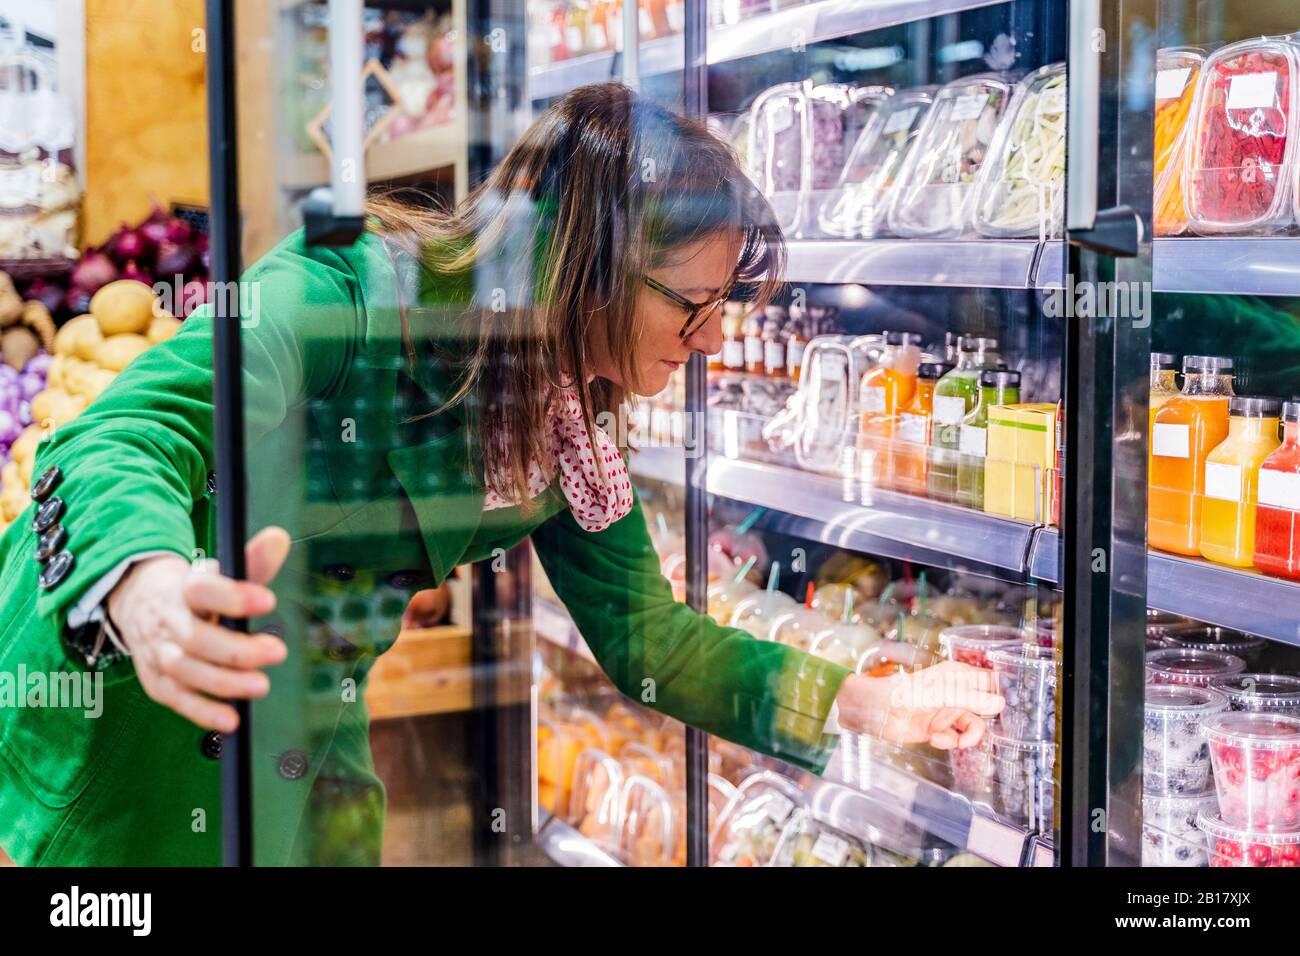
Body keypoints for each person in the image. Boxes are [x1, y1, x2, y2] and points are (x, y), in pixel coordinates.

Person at [0, 82, 1000, 866]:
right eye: (693, 303)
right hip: (137, 682)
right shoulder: (341, 294)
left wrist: (864, 699)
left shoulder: (565, 408)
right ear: (586, 264)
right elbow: (117, 436)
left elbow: (653, 638)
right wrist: (145, 582)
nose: (711, 338)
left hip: (305, 712)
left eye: (727, 303)